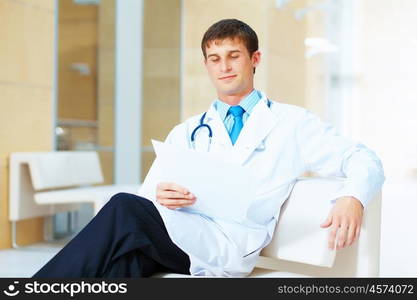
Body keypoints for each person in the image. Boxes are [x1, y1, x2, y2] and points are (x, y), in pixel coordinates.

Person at [33, 19, 384, 278]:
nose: (224, 66)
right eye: (214, 59)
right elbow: (151, 196)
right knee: (120, 266)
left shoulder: (293, 123)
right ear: (206, 65)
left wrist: (352, 197)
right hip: (180, 236)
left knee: (123, 208)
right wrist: (162, 193)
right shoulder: (189, 130)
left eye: (233, 55)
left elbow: (364, 158)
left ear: (255, 58)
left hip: (228, 247)